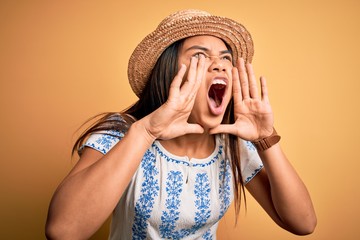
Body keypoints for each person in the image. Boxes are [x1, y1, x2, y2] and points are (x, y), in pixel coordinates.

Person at [45, 9, 317, 240]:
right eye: (199, 56)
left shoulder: (234, 143)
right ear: (170, 72)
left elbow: (303, 223)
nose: (219, 66)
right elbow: (63, 230)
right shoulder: (122, 131)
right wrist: (145, 132)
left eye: (225, 58)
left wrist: (265, 138)